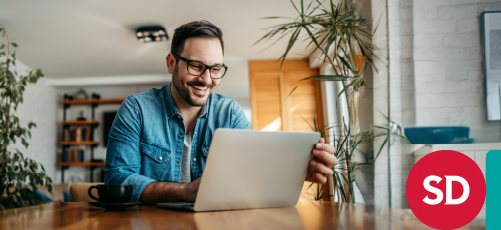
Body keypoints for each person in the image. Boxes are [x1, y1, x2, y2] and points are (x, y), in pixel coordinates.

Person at [104, 20, 337, 203]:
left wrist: (294, 172)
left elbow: (250, 173)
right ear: (171, 63)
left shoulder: (231, 113)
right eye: (196, 66)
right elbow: (118, 180)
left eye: (215, 69)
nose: (206, 80)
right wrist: (185, 192)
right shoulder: (136, 109)